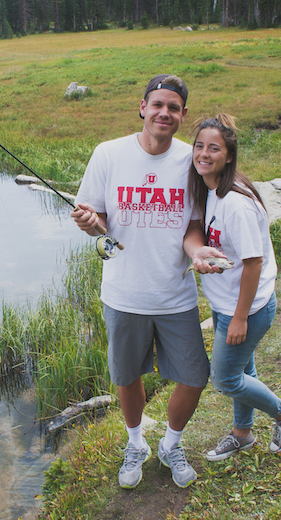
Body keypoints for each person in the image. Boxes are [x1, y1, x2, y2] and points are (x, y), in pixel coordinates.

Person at [71, 75, 224, 489]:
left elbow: (194, 225)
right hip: (123, 294)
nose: (164, 113)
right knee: (125, 376)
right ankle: (135, 443)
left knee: (194, 375)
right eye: (157, 105)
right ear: (142, 107)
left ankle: (171, 444)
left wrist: (196, 252)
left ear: (183, 115)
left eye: (173, 108)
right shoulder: (108, 154)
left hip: (174, 294)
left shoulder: (189, 160)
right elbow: (97, 221)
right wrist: (90, 224)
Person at [187, 113, 281, 462]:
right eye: (199, 146)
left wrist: (239, 319)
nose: (204, 154)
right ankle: (242, 433)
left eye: (214, 149)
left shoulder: (235, 203)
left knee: (225, 379)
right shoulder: (210, 190)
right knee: (242, 371)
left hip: (247, 310)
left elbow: (254, 263)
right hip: (227, 305)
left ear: (229, 155)